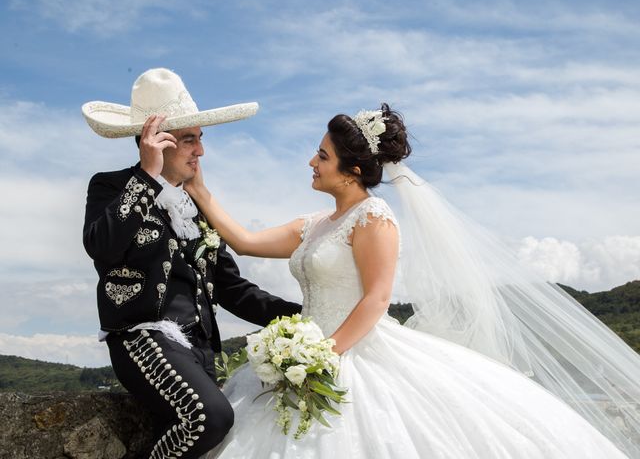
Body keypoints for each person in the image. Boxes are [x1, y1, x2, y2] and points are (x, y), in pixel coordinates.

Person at [184, 104, 640, 458]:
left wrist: (325, 354)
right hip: (303, 355)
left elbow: (377, 298)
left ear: (354, 170)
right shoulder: (313, 224)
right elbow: (243, 241)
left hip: (350, 352)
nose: (312, 161)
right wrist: (198, 188)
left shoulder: (374, 218)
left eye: (322, 156)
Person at [81, 68, 301, 459]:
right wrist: (147, 177)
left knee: (198, 438)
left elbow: (232, 288)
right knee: (209, 419)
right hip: (142, 337)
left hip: (200, 350)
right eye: (189, 140)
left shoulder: (193, 206)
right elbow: (102, 246)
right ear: (156, 141)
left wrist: (303, 317)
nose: (200, 151)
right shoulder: (111, 186)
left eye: (200, 139)